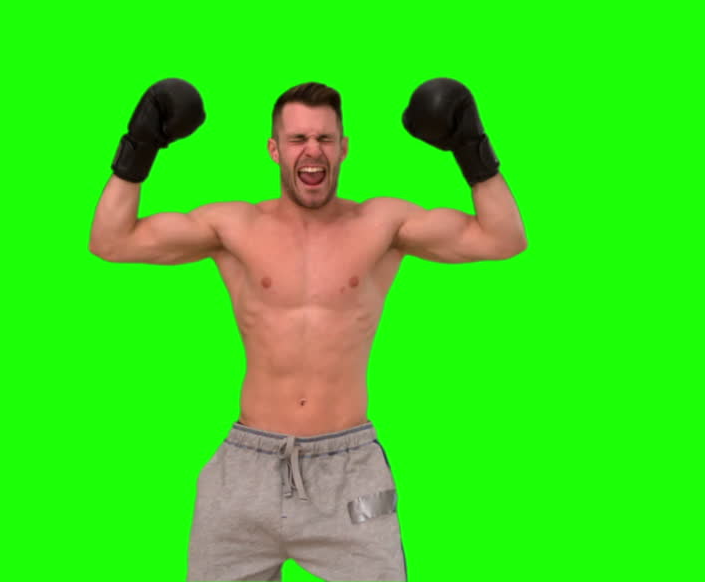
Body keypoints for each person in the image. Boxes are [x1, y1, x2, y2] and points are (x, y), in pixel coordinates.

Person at [90, 78, 527, 581]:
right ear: (275, 150)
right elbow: (111, 240)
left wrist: (470, 147)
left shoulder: (381, 224)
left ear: (343, 148)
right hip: (245, 473)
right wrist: (140, 145)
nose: (312, 150)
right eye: (297, 139)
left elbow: (503, 238)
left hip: (351, 474)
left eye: (324, 138)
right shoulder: (234, 227)